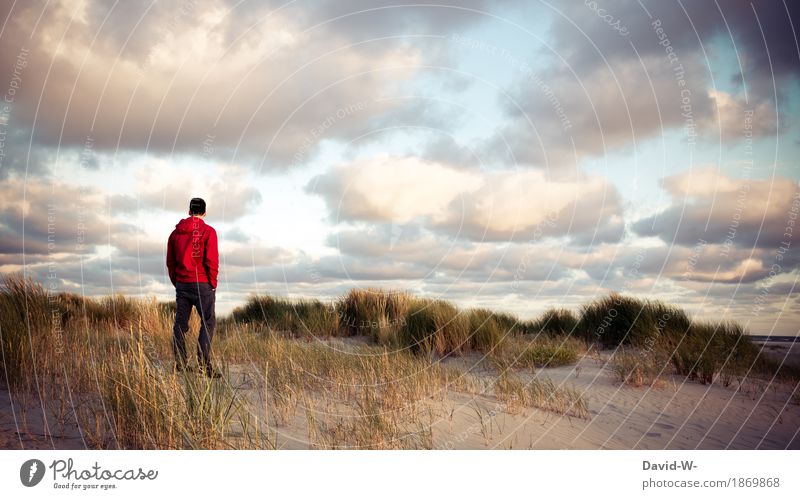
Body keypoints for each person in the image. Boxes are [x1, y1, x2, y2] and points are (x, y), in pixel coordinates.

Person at [166, 197, 220, 378]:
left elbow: (170, 263)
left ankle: (181, 364)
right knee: (208, 322)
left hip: (182, 284)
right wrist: (212, 283)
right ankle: (204, 366)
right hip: (202, 284)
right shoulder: (209, 231)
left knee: (180, 325)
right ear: (204, 213)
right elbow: (212, 260)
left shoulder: (175, 234)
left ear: (189, 211)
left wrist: (178, 282)